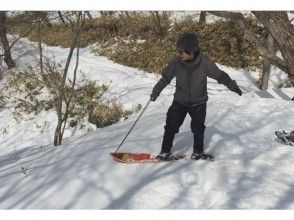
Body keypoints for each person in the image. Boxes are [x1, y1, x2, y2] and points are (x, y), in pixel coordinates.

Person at [150, 32, 242, 161]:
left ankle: (198, 152)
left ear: (191, 51)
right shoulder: (176, 62)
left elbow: (220, 75)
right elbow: (165, 78)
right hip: (179, 101)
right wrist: (156, 92)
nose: (180, 54)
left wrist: (232, 85)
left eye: (183, 52)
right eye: (179, 51)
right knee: (170, 126)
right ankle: (165, 151)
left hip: (198, 103)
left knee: (198, 128)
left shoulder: (204, 62)